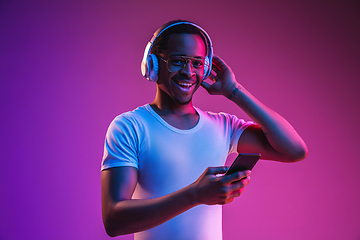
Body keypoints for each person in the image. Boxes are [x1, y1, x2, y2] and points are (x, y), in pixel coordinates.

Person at [101, 20, 308, 240]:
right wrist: (196, 194)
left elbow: (294, 150)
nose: (188, 72)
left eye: (197, 63)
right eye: (177, 61)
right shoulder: (130, 127)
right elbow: (114, 221)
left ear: (206, 67)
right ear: (152, 65)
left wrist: (234, 90)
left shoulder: (224, 126)